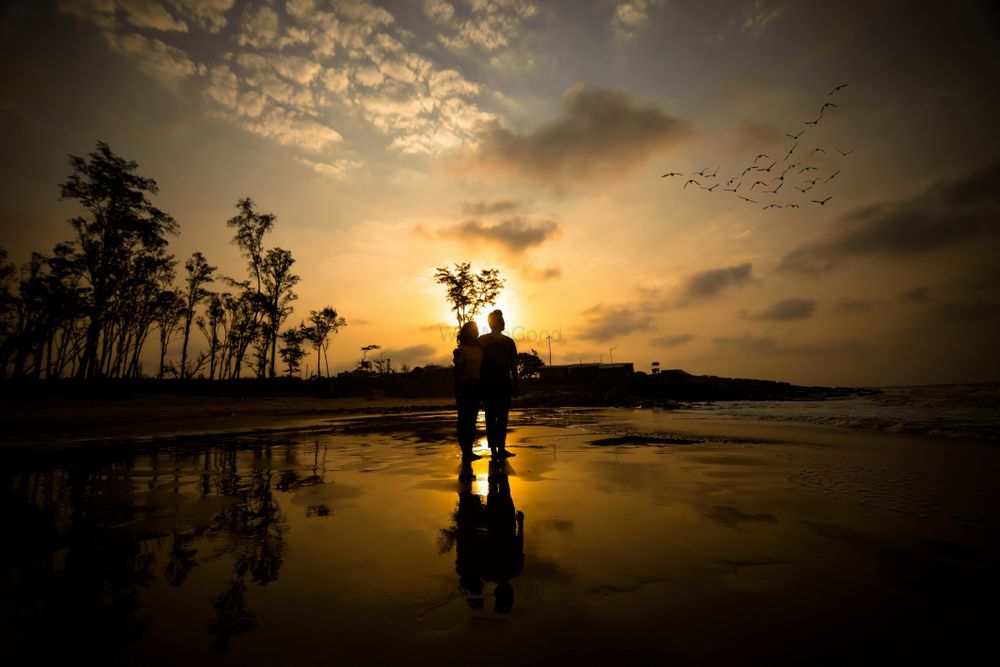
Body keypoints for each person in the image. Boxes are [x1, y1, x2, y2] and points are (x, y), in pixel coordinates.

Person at [478, 309, 518, 458]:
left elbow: (513, 365)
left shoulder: (509, 342)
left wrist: (516, 383)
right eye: (500, 320)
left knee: (502, 418)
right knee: (490, 417)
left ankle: (501, 447)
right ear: (491, 323)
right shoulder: (482, 341)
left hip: (504, 384)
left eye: (503, 319)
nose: (503, 322)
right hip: (488, 385)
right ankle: (494, 449)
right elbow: (478, 364)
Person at [453, 321, 483, 460]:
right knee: (463, 420)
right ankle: (465, 451)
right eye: (472, 330)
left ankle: (469, 450)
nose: (475, 332)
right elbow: (457, 372)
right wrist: (458, 391)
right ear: (466, 333)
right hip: (464, 387)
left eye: (476, 330)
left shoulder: (479, 349)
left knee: (472, 420)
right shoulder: (461, 350)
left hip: (477, 387)